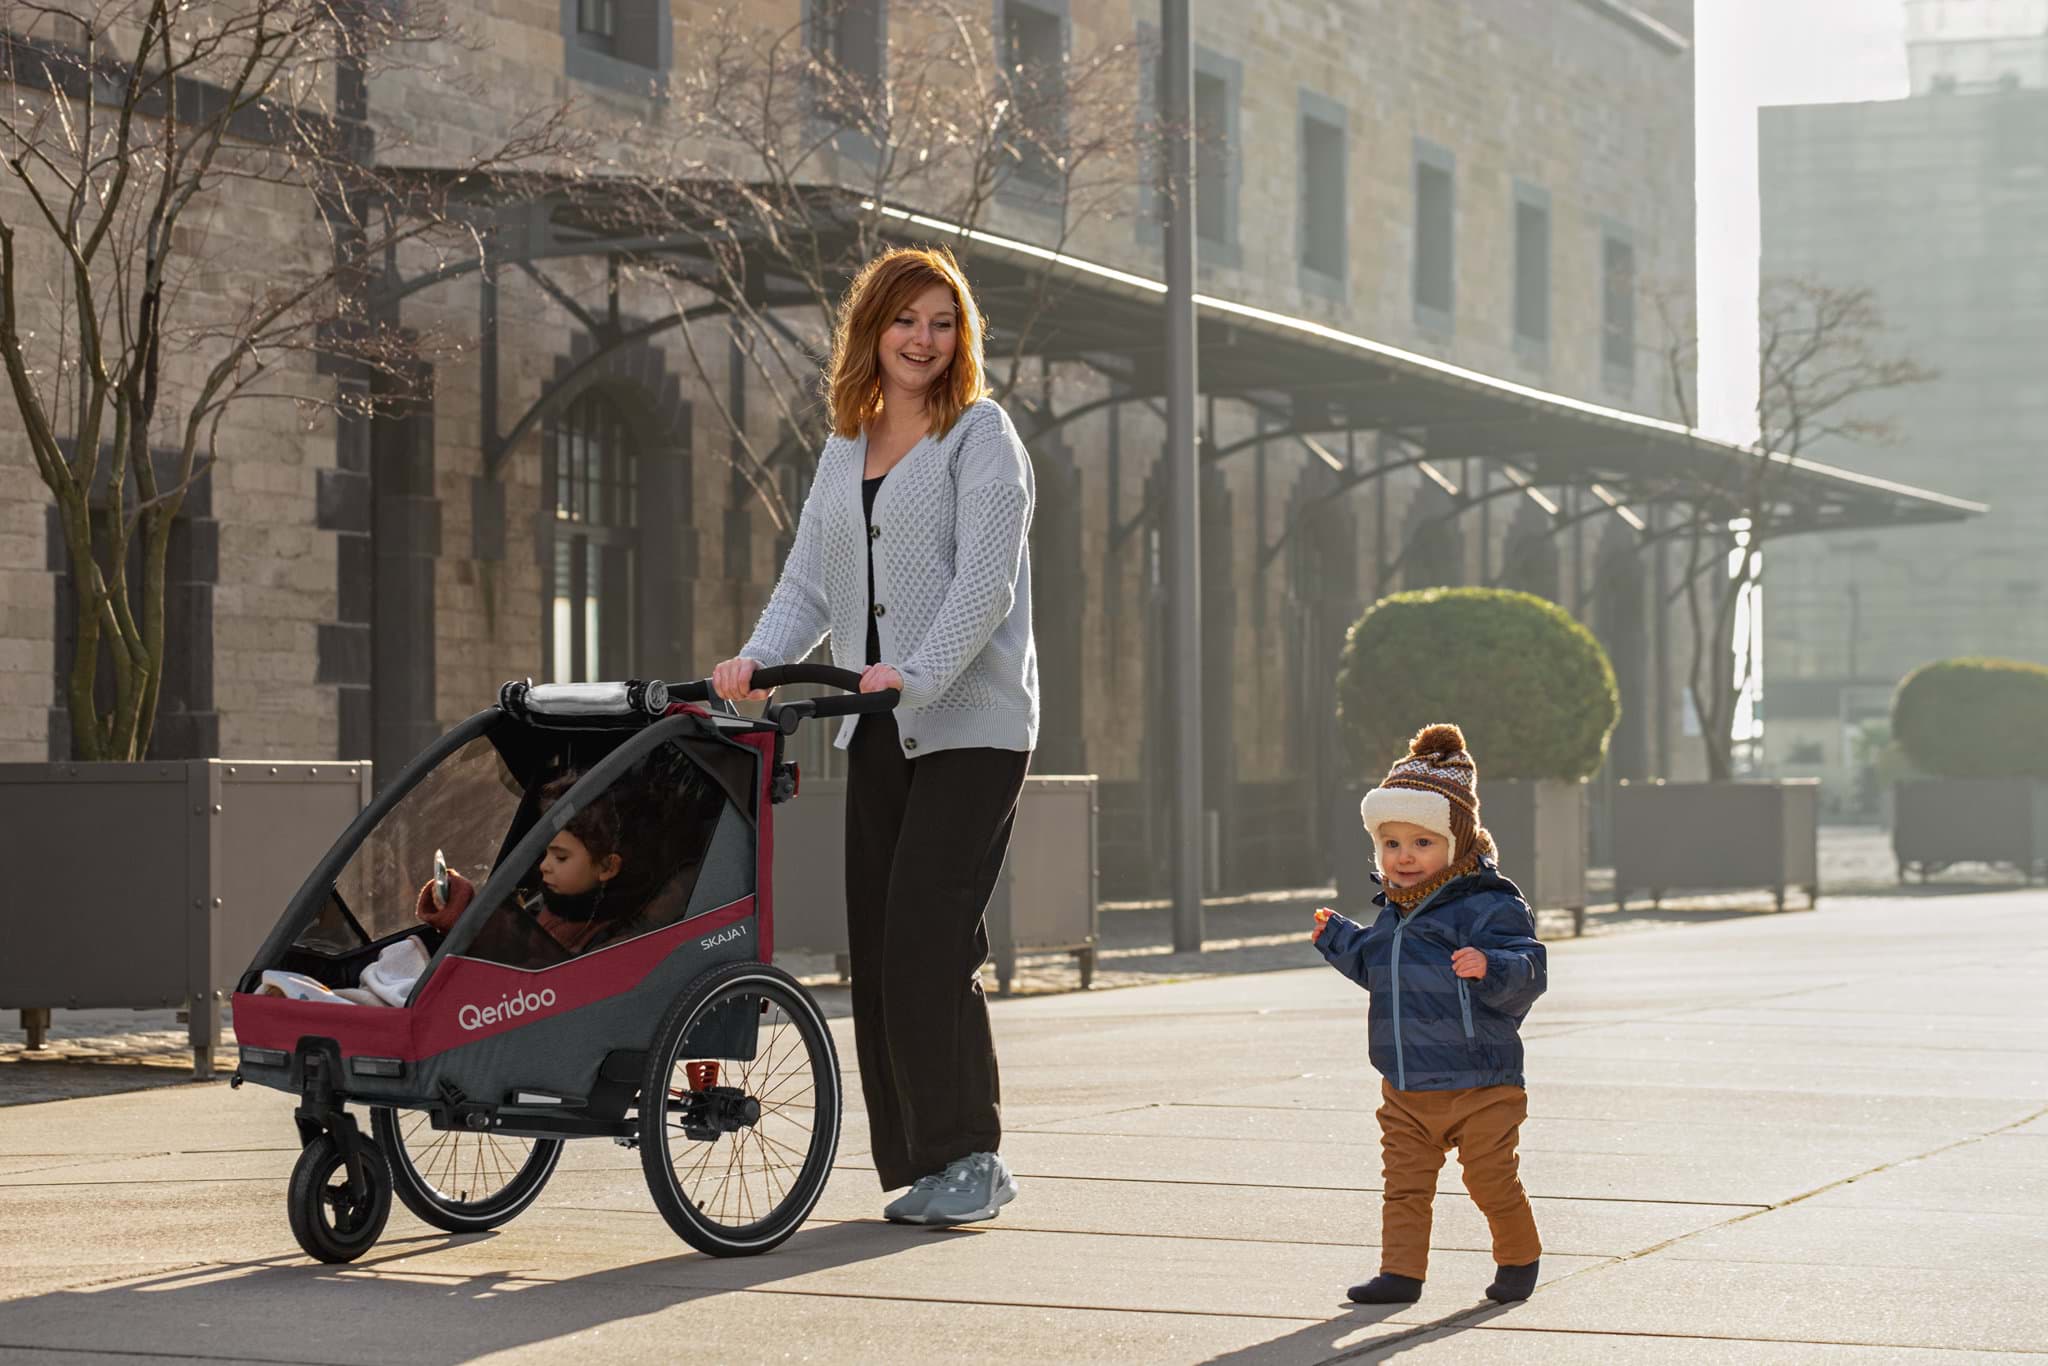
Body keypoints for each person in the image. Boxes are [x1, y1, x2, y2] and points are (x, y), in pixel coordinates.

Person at [712, 245, 1037, 1228]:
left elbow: (985, 582)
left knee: (926, 940)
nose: (923, 340)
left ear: (961, 336)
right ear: (873, 329)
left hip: (972, 727)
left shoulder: (981, 436)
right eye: (906, 320)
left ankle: (971, 1155)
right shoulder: (844, 448)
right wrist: (756, 662)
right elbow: (809, 584)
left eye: (942, 322)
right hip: (881, 730)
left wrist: (918, 673)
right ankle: (927, 1161)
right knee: (884, 946)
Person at [1310, 723, 1549, 1305]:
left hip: (1480, 1081)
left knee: (1489, 1178)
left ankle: (1519, 1257)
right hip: (1407, 1081)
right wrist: (1340, 939)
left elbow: (1530, 966)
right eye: (1391, 844)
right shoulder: (1395, 911)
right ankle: (1401, 1274)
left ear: (1457, 842)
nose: (1405, 856)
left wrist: (1490, 965)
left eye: (1422, 842)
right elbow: (1379, 968)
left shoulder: (1488, 904)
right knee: (1404, 1183)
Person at [417, 773, 651, 966]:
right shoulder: (555, 903)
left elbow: (545, 970)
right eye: (545, 853)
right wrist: (461, 906)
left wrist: (466, 915)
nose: (543, 866)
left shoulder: (616, 941)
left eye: (560, 857)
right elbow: (512, 938)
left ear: (608, 867)